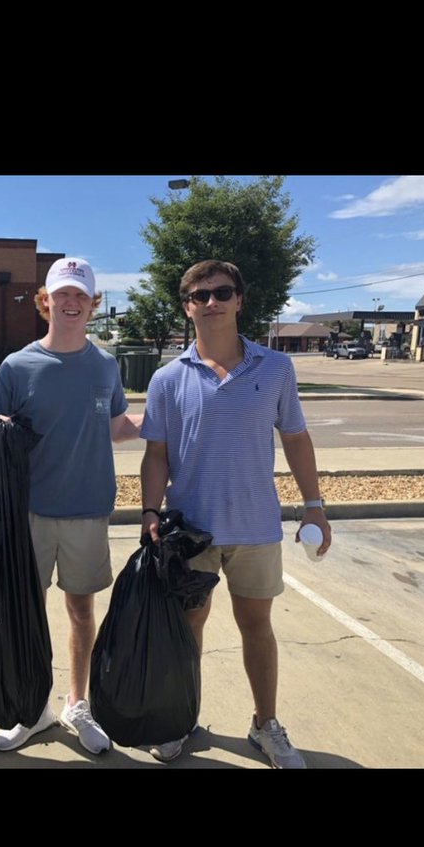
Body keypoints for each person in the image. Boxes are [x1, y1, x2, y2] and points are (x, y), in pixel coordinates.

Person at [140, 259, 332, 768]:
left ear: (240, 300)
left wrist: (315, 507)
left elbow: (295, 437)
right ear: (186, 306)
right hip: (191, 529)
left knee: (257, 626)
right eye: (200, 295)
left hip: (255, 525)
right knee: (188, 627)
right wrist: (149, 511)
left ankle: (264, 724)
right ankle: (179, 718)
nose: (212, 302)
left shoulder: (276, 368)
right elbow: (156, 453)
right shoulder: (167, 378)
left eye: (223, 292)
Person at [0, 257, 142, 755]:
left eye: (81, 296)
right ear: (45, 301)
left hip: (88, 509)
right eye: (62, 295)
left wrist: (164, 417)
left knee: (80, 610)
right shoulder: (17, 365)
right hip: (27, 511)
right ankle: (33, 709)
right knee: (25, 613)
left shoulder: (105, 364)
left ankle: (77, 703)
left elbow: (114, 425)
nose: (71, 304)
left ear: (92, 306)